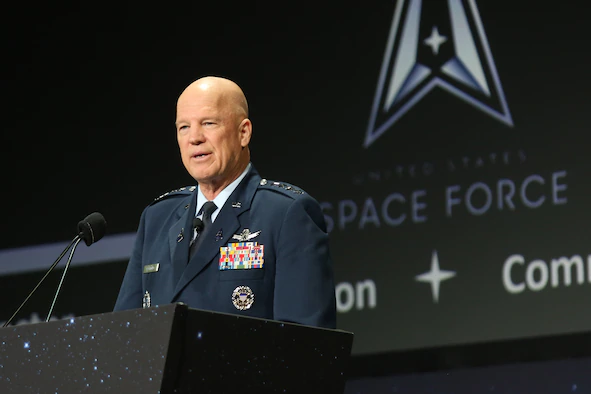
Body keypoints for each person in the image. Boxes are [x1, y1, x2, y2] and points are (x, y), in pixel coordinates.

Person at [114, 76, 336, 328]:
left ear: (243, 133)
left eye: (208, 123)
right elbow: (125, 331)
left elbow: (305, 341)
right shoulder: (157, 217)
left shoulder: (286, 213)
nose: (194, 138)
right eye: (183, 127)